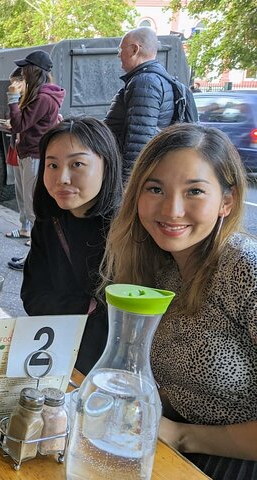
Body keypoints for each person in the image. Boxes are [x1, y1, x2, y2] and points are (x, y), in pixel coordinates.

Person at [101, 123, 257, 480]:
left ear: (227, 201)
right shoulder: (162, 268)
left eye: (195, 191)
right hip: (171, 449)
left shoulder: (245, 269)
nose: (171, 210)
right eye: (155, 188)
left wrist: (182, 435)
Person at [20, 117, 122, 374]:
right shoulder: (48, 223)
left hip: (106, 371)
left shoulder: (128, 231)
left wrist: (69, 306)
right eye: (52, 165)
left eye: (77, 164)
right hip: (58, 358)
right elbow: (32, 297)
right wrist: (88, 306)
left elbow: (122, 319)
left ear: (106, 166)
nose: (62, 178)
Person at [5, 50, 65, 266]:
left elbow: (20, 124)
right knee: (29, 204)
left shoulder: (42, 97)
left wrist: (13, 98)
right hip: (29, 153)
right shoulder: (41, 95)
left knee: (33, 208)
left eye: (25, 70)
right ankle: (34, 256)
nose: (22, 74)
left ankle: (35, 259)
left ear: (33, 71)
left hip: (34, 155)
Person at [104, 27, 177, 181]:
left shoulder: (144, 83)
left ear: (134, 50)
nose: (119, 54)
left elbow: (138, 141)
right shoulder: (153, 78)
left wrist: (127, 186)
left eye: (121, 49)